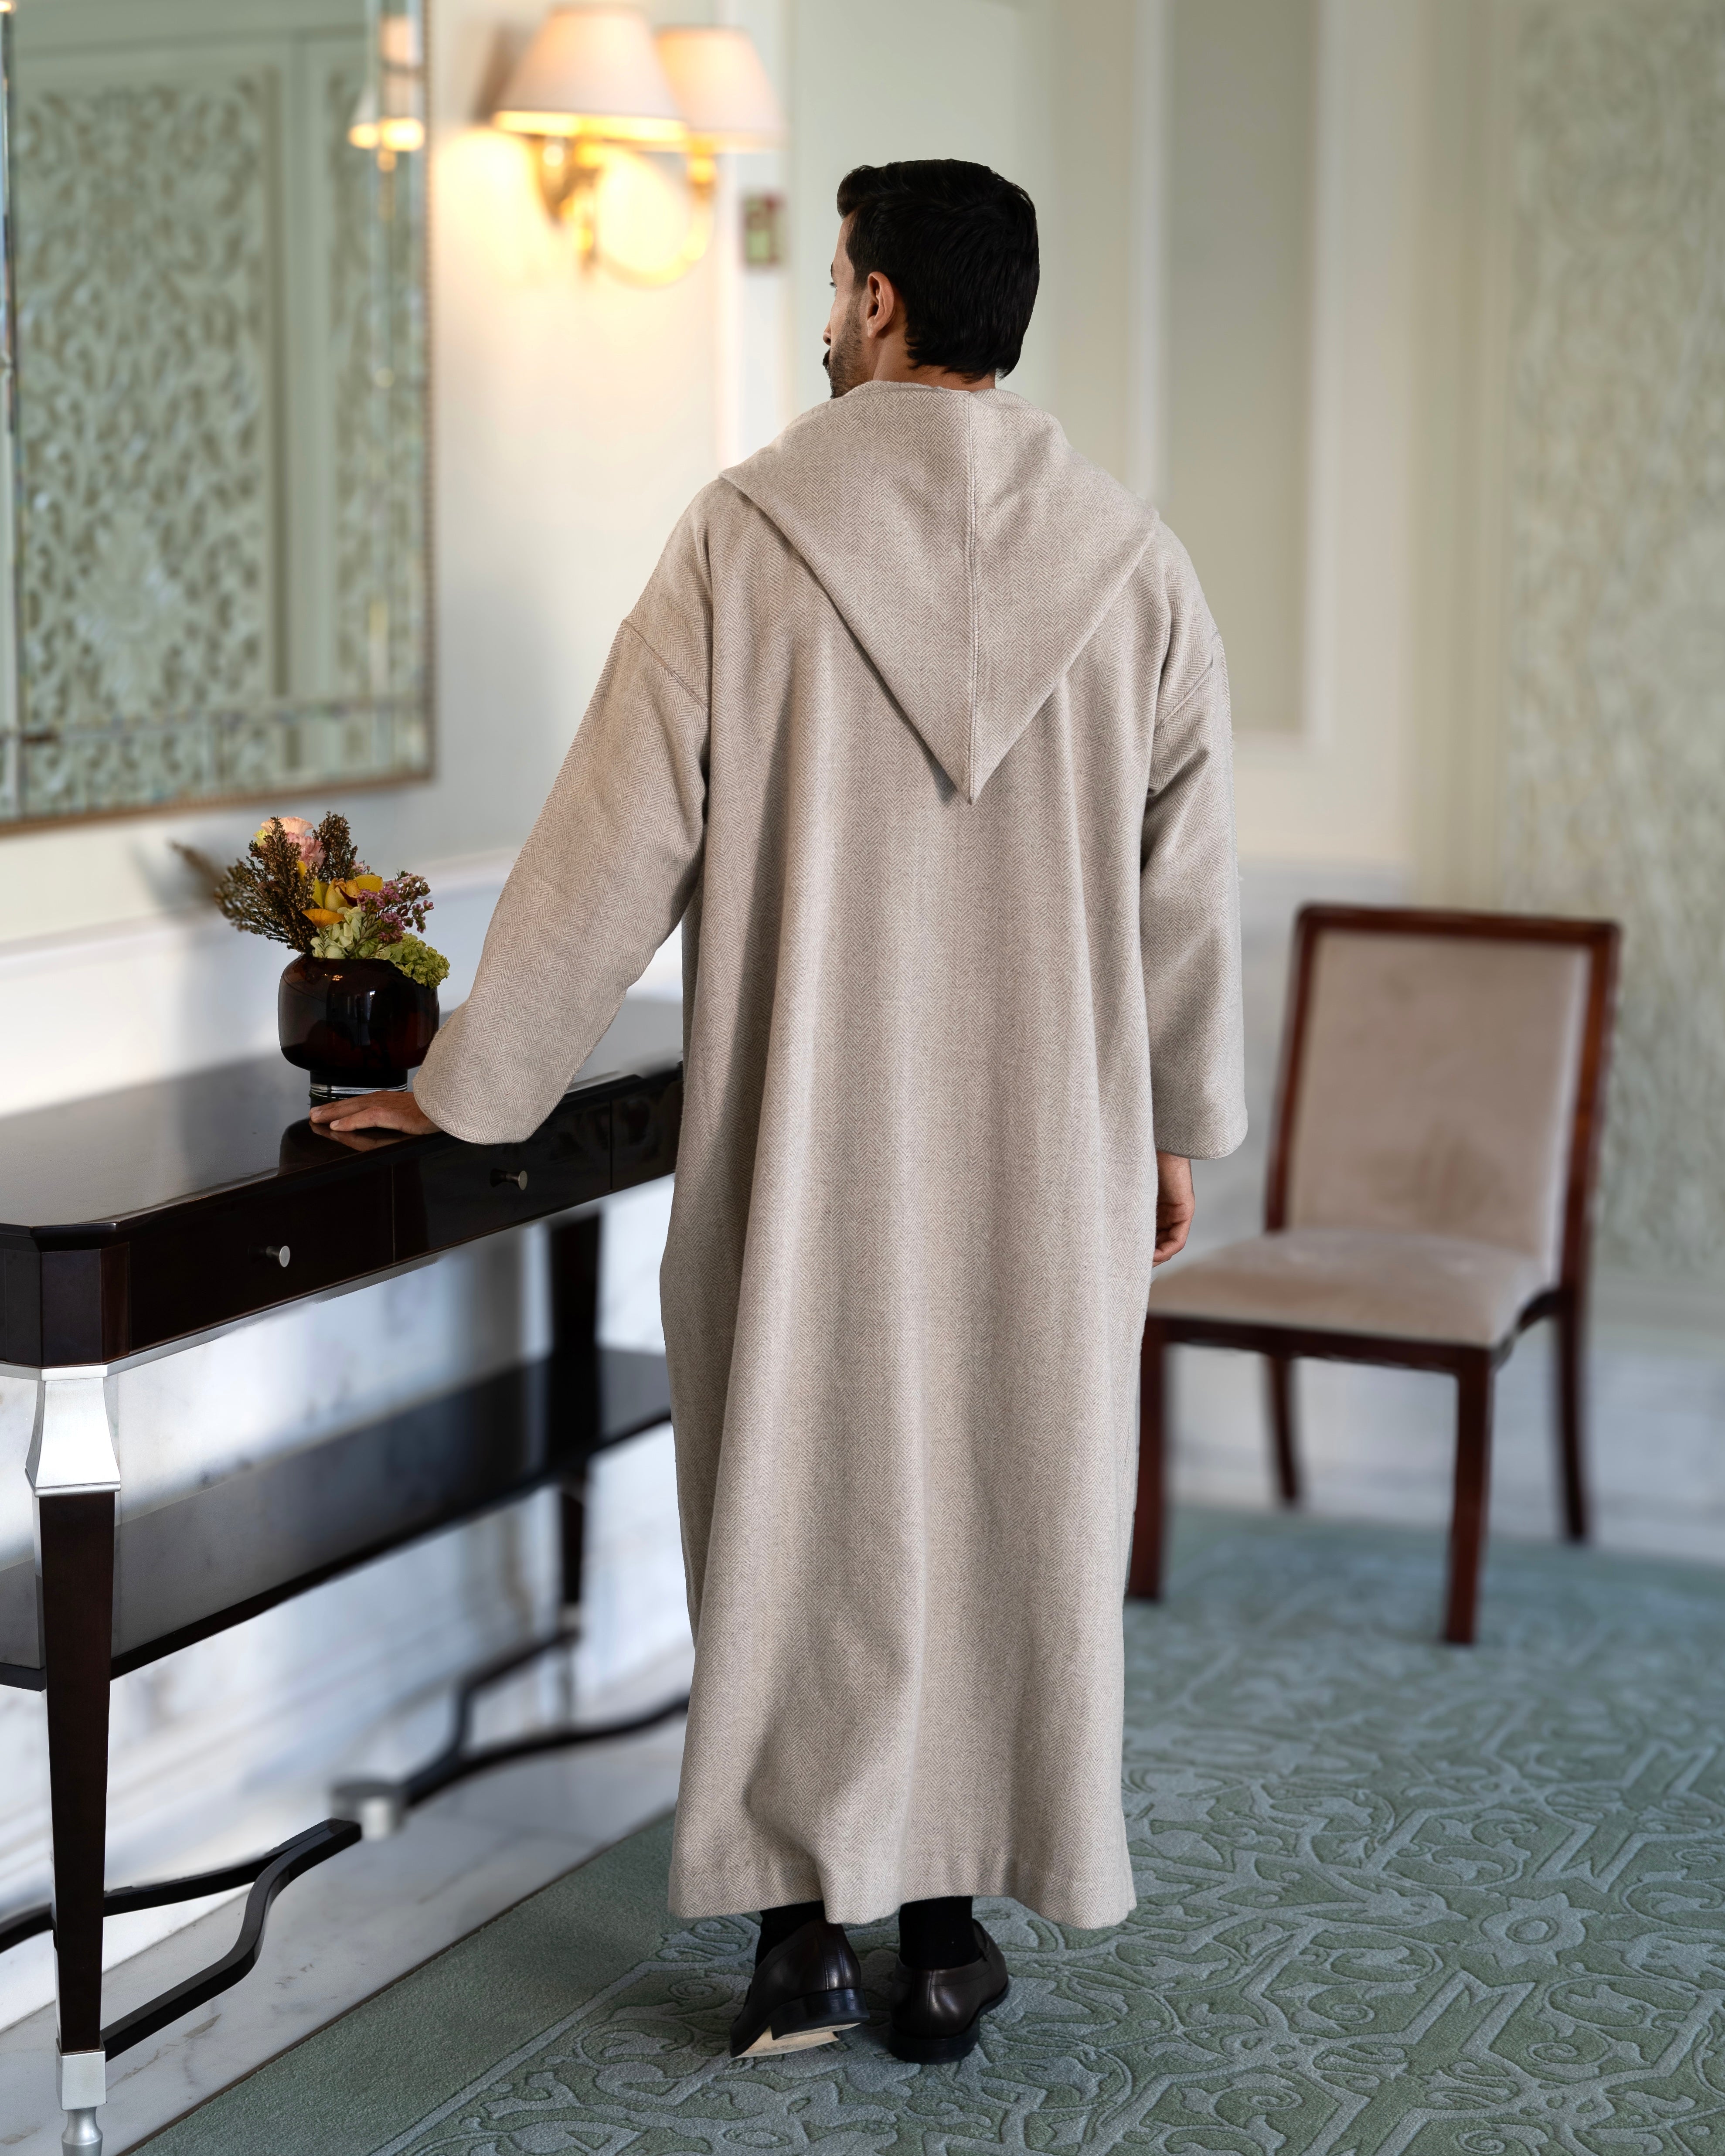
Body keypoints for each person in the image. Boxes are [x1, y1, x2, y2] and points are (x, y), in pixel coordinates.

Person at [313, 158, 1246, 2066]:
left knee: (801, 1502)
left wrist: (465, 1081)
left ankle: (800, 1947)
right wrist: (1171, 1123)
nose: (824, 313)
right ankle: (950, 1940)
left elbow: (606, 852)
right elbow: (1189, 893)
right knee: (1011, 1502)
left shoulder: (743, 542)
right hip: (1047, 1155)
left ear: (882, 303)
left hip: (814, 1148)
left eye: (834, 280)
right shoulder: (1138, 567)